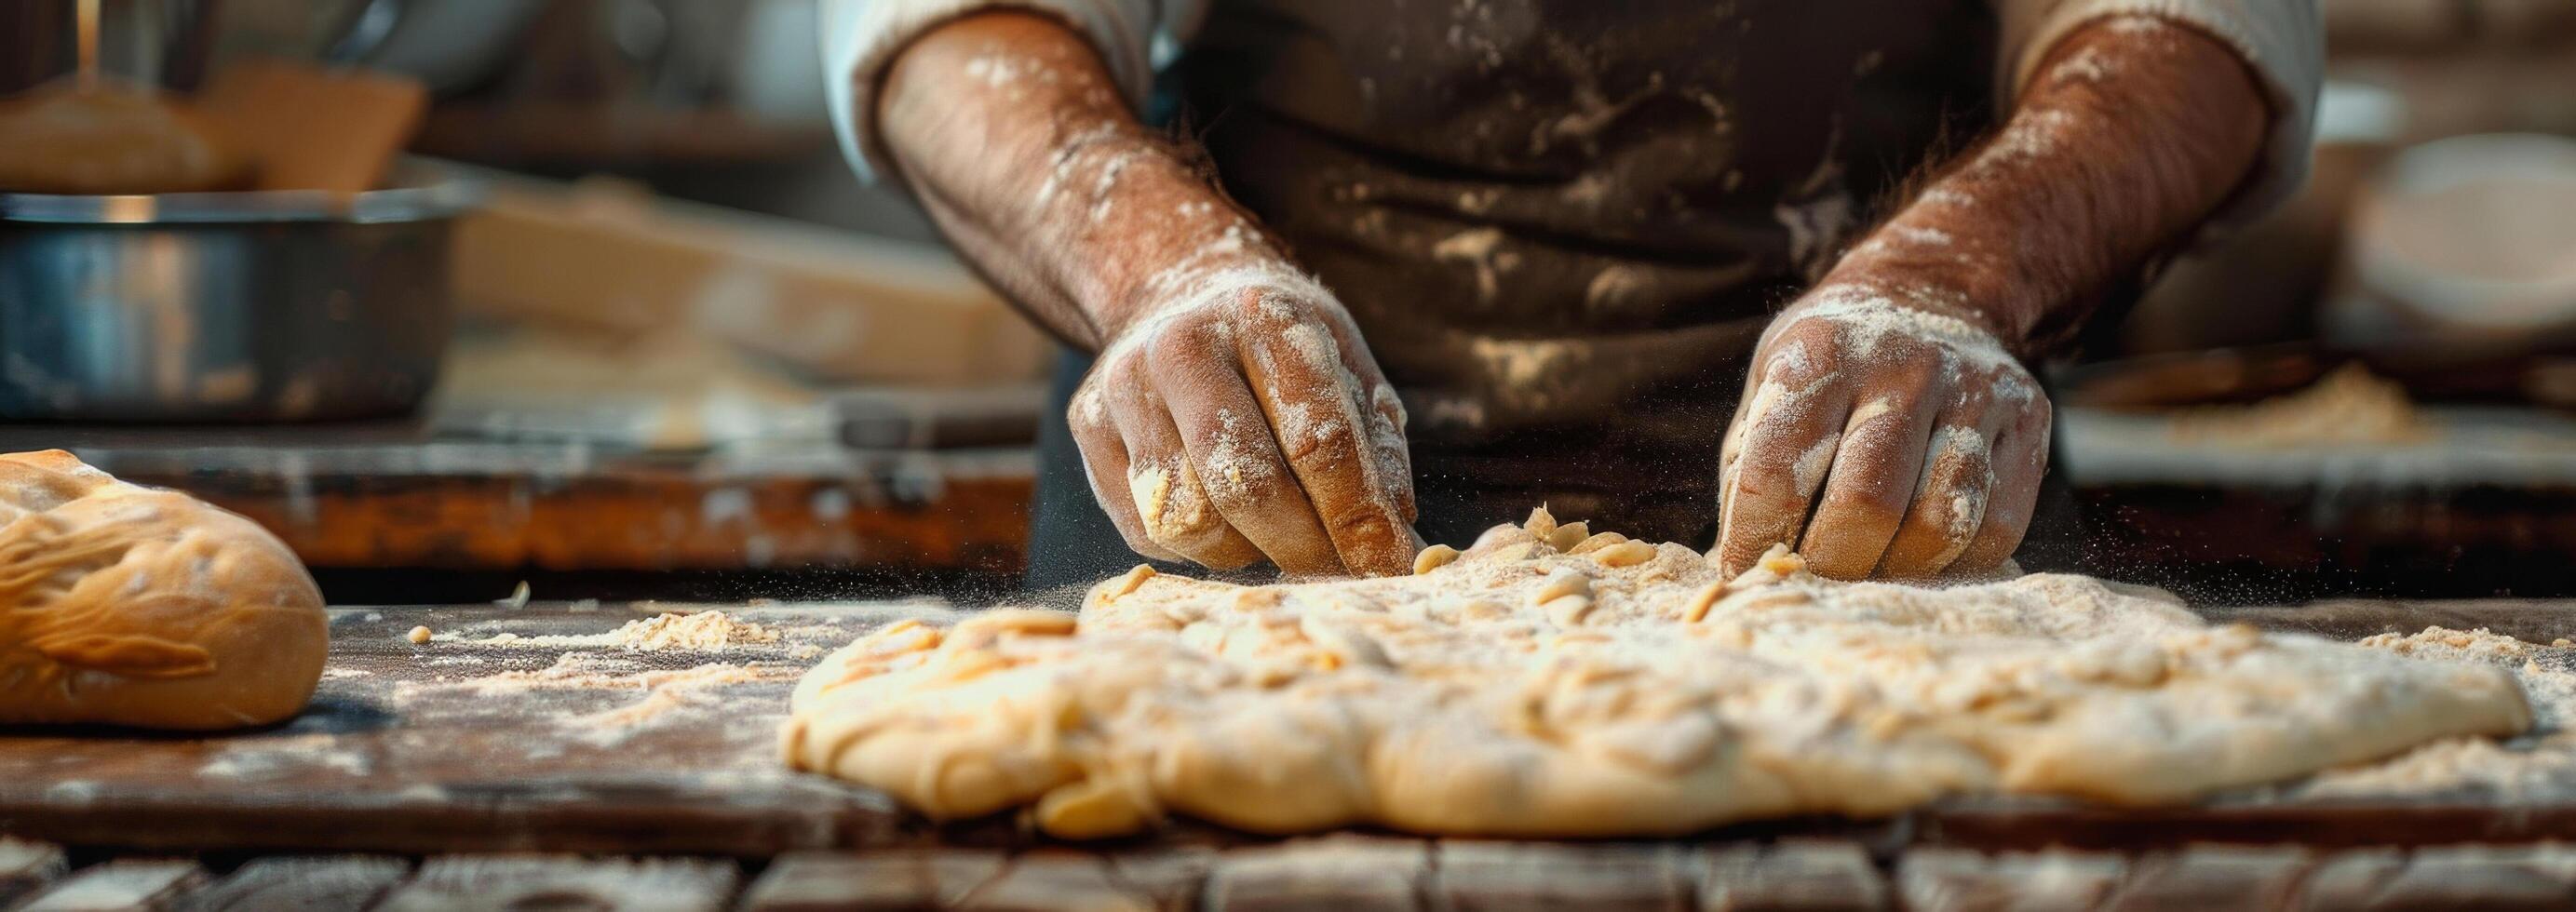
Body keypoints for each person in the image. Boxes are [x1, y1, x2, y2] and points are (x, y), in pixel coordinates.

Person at [821, 0, 2317, 585]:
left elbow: (2187, 39)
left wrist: (1946, 281)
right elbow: (950, 39)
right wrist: (1163, 266)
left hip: (1883, 507)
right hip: (1244, 510)